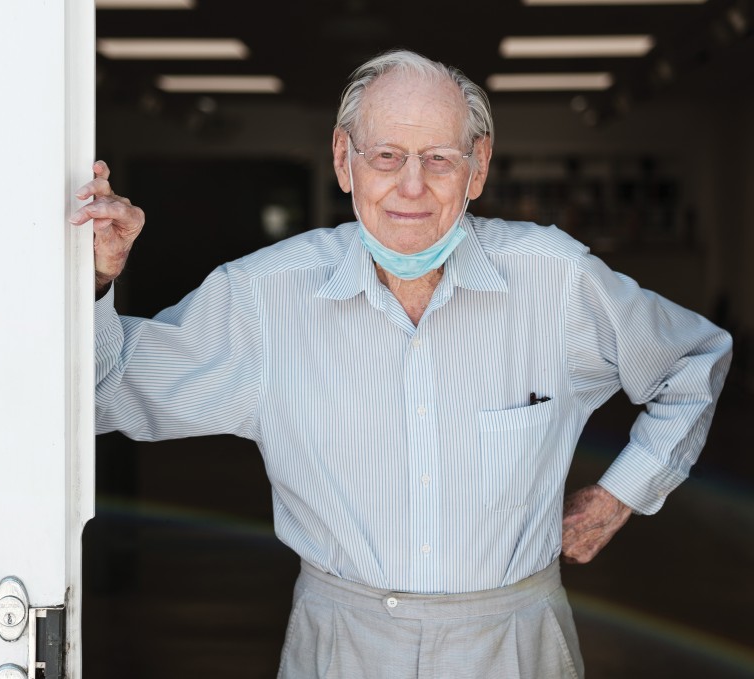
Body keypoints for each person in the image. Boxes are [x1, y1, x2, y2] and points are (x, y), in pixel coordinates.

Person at [71, 49, 732, 678]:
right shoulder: (264, 299)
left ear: (477, 167)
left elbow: (691, 361)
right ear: (343, 159)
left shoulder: (554, 281)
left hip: (514, 641)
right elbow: (104, 391)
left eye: (439, 159)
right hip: (342, 643)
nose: (411, 186)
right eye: (386, 156)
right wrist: (97, 279)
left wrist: (623, 494)